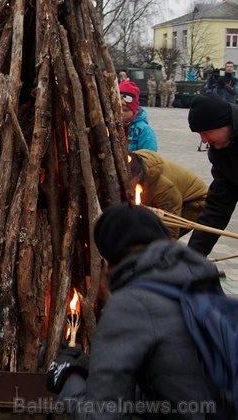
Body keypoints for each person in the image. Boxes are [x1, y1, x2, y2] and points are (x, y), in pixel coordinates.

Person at [47, 203, 226, 419]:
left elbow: (102, 416)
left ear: (107, 262)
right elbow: (173, 372)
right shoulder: (203, 283)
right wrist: (90, 364)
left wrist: (68, 375)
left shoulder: (130, 305)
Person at [187, 92, 238, 256]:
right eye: (199, 134)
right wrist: (192, 257)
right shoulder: (220, 152)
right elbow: (217, 208)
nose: (203, 140)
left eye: (206, 132)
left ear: (223, 124)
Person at [128, 149, 207, 239]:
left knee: (158, 237)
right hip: (164, 200)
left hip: (193, 203)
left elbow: (172, 228)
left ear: (139, 178)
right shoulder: (131, 162)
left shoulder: (162, 187)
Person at [120, 80, 157, 152]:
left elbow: (150, 156)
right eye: (118, 109)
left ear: (134, 111)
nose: (121, 113)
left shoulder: (144, 130)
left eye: (125, 110)